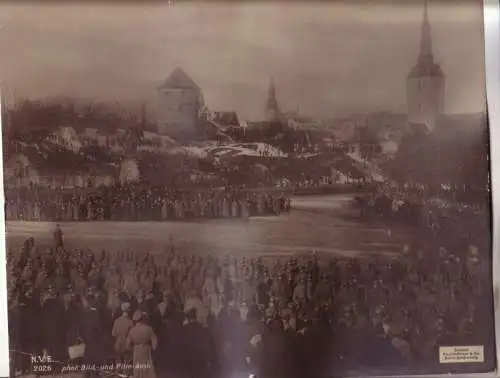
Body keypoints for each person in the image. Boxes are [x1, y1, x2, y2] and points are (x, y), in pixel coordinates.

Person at [127, 310, 158, 378]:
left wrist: (132, 348)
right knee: (148, 367)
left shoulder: (132, 330)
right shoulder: (148, 328)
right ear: (142, 319)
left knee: (137, 368)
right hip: (146, 349)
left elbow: (128, 345)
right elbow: (154, 342)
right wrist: (153, 348)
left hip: (137, 350)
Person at [112, 302, 134, 374]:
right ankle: (126, 373)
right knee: (126, 362)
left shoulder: (117, 321)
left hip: (118, 344)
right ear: (129, 310)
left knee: (118, 362)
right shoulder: (131, 322)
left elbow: (114, 334)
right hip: (127, 345)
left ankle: (118, 373)